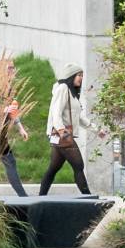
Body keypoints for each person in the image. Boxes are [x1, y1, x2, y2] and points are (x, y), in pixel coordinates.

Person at [40, 63, 91, 195]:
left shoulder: (72, 93)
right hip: (62, 133)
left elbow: (79, 117)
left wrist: (96, 129)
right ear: (71, 76)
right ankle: (89, 198)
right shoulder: (62, 88)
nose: (81, 78)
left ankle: (41, 197)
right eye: (78, 75)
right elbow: (56, 112)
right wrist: (62, 130)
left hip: (63, 134)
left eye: (82, 75)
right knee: (78, 165)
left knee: (53, 168)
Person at [0, 99, 31, 196]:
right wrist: (5, 109)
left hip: (1, 135)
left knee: (10, 162)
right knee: (9, 162)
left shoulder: (7, 92)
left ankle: (23, 195)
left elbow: (12, 114)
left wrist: (21, 129)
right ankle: (23, 196)